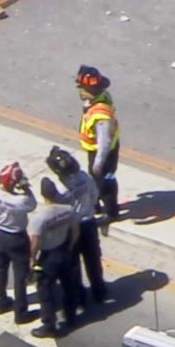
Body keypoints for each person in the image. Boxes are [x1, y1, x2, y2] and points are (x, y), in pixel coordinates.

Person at [45, 145, 108, 305]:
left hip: (71, 228)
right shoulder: (84, 177)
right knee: (93, 260)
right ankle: (99, 291)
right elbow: (94, 195)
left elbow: (56, 208)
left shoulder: (60, 188)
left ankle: (80, 296)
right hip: (89, 223)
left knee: (73, 264)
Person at [0, 162, 36, 323]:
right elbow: (32, 204)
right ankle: (21, 312)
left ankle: (0, 302)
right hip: (17, 237)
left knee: (0, 269)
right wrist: (26, 188)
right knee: (20, 276)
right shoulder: (21, 201)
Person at [28, 177, 80, 338]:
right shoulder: (68, 210)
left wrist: (32, 260)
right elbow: (75, 231)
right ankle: (71, 316)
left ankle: (49, 325)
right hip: (64, 250)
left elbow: (34, 243)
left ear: (43, 195)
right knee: (68, 286)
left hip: (48, 256)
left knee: (45, 291)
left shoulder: (40, 218)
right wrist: (70, 247)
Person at [76, 65, 122, 227]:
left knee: (105, 183)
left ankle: (111, 213)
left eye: (82, 88)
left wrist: (98, 164)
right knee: (95, 181)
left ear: (91, 90)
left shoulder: (101, 115)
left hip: (104, 154)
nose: (80, 91)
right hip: (95, 151)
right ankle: (96, 204)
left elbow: (104, 143)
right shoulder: (98, 98)